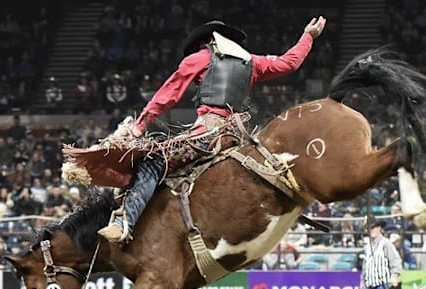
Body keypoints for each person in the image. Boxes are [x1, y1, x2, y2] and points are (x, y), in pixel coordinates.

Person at [98, 17, 327, 243]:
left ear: (206, 42)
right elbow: (290, 63)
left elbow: (168, 94)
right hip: (239, 137)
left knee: (154, 161)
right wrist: (308, 36)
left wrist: (139, 126)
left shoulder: (200, 58)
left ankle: (123, 223)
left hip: (207, 135)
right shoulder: (253, 61)